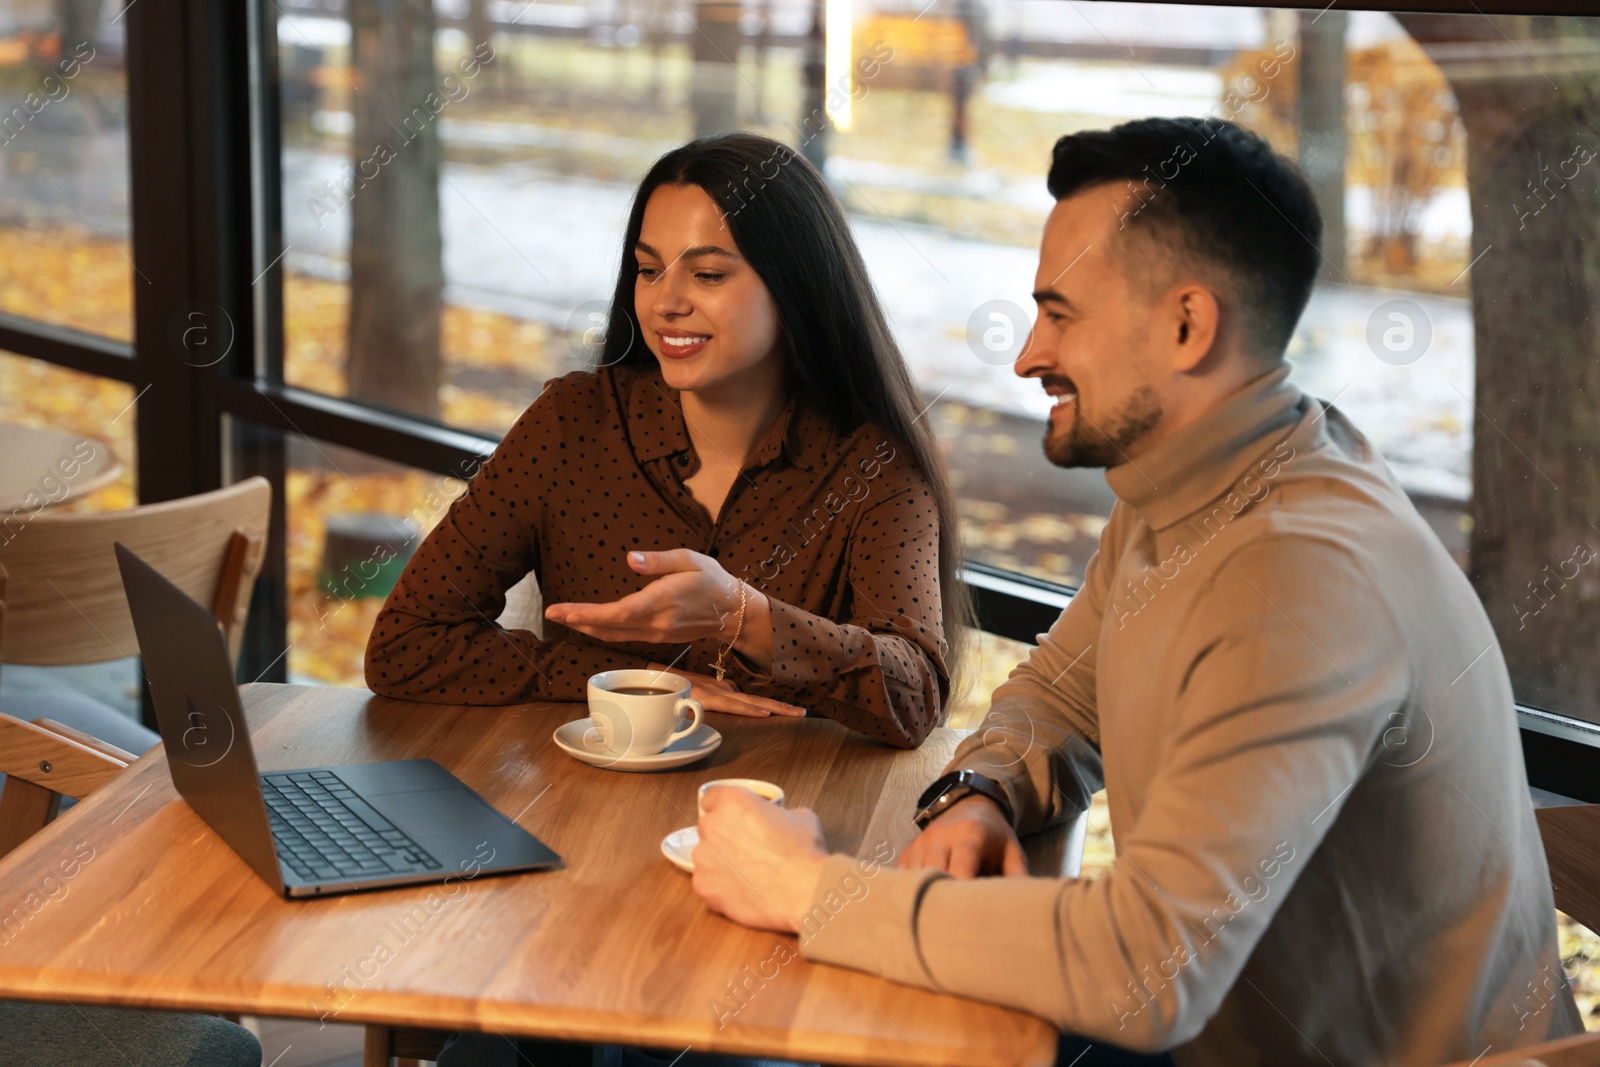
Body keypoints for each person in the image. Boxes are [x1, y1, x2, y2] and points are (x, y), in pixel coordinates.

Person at [690, 118, 1585, 1065]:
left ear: (1188, 325)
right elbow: (1064, 691)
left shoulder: (1300, 575)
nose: (1027, 354)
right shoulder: (1209, 477)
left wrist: (804, 888)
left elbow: (1146, 968)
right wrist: (978, 789)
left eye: (1059, 313)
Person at [365, 133, 971, 749]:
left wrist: (743, 615)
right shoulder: (571, 422)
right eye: (649, 270)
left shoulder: (875, 466)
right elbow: (405, 644)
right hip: (586, 814)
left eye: (707, 274)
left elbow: (915, 693)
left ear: (796, 289)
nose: (665, 303)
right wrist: (630, 678)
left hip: (784, 824)